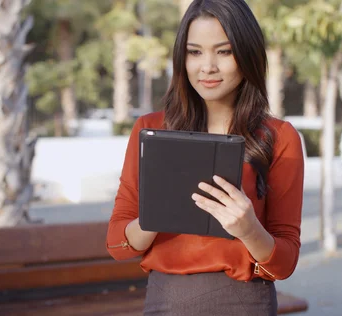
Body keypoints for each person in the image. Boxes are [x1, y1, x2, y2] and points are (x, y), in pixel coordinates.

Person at [106, 0, 304, 315]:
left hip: (245, 302)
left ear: (247, 54)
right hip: (165, 301)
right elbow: (118, 244)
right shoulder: (150, 129)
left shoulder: (278, 137)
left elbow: (284, 263)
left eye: (224, 52)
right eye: (194, 52)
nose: (207, 67)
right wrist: (158, 213)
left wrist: (249, 228)